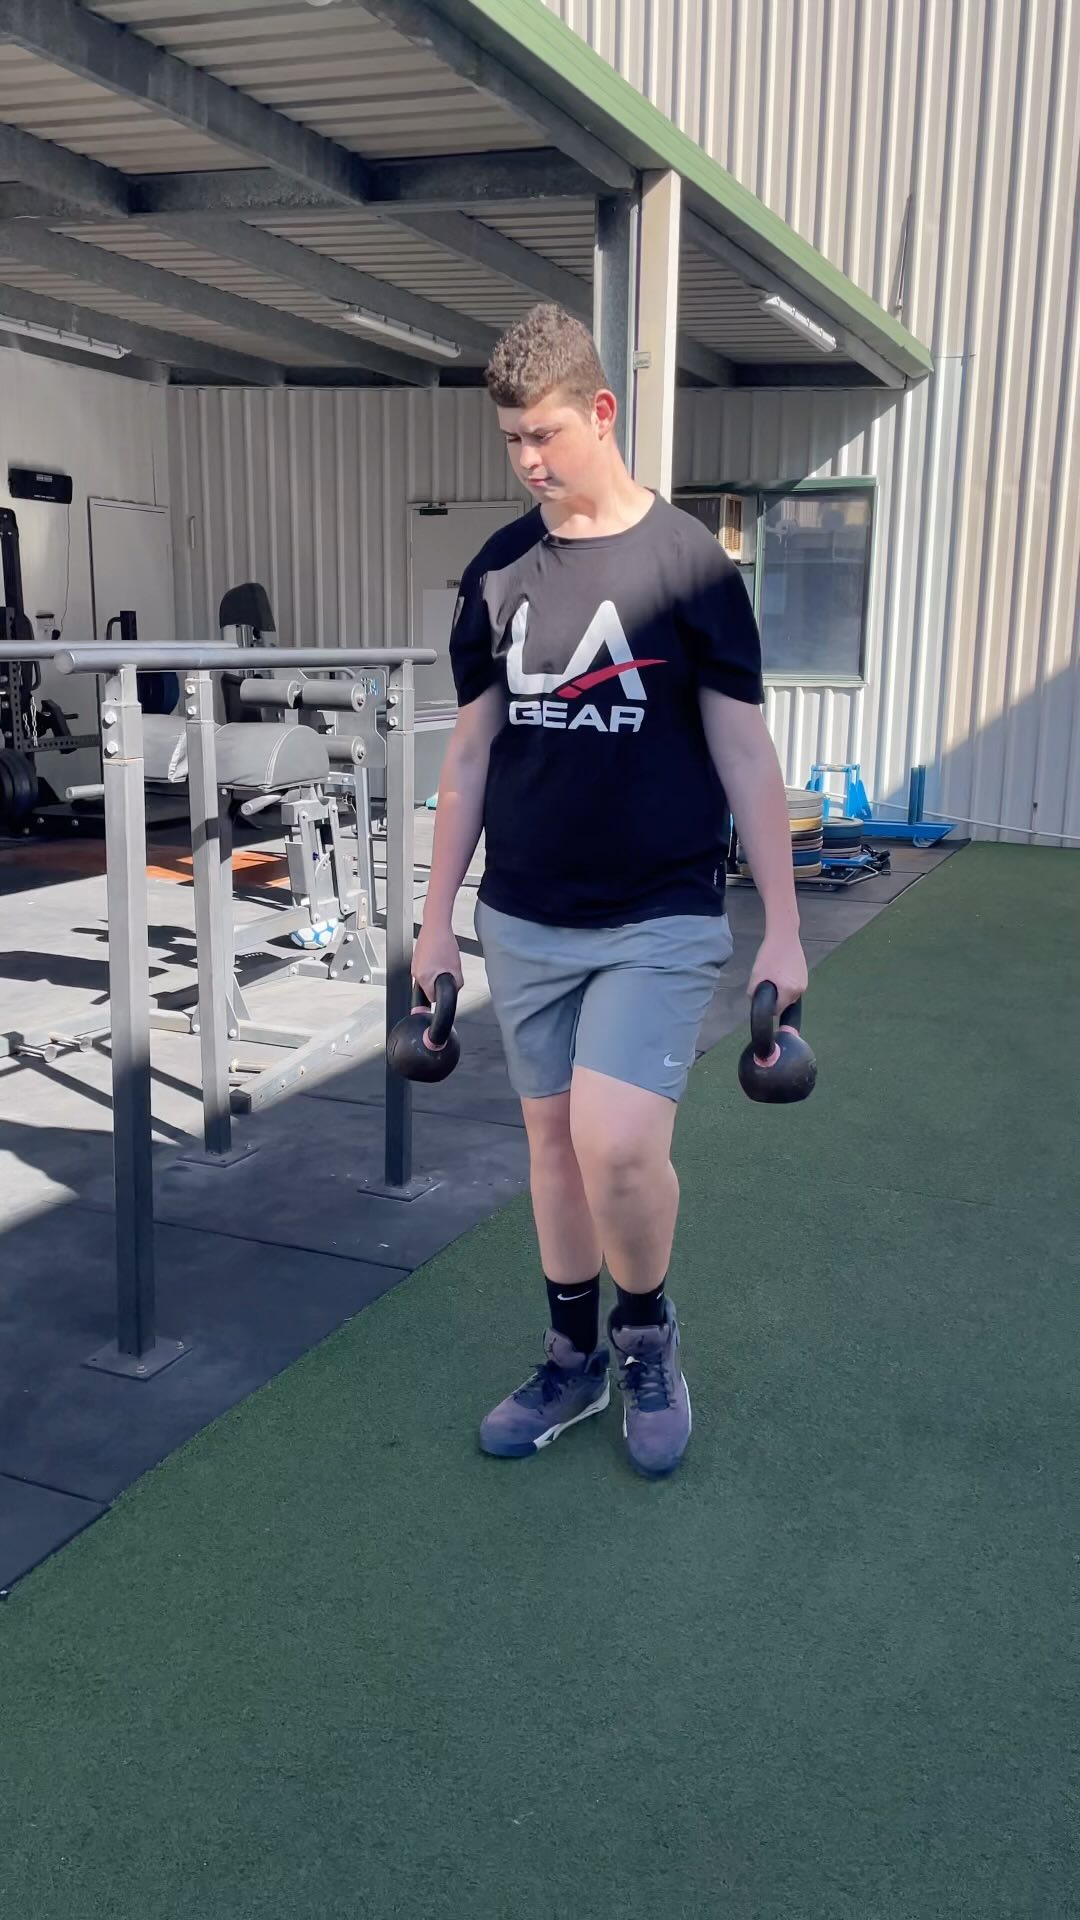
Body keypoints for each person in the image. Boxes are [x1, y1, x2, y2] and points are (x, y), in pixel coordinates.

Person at [412, 303, 807, 1479]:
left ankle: (648, 1337)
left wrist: (785, 928)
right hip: (525, 911)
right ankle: (572, 1354)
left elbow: (745, 753)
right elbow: (471, 754)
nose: (529, 461)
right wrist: (432, 921)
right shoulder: (496, 573)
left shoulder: (688, 566)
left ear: (601, 410)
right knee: (550, 1145)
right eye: (511, 443)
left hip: (661, 912)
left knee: (617, 1143)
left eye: (545, 434)